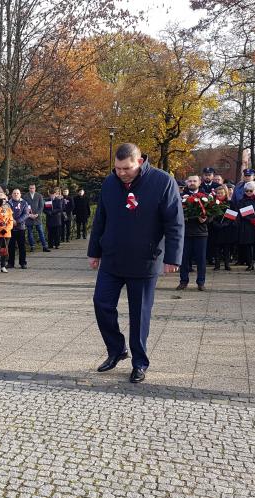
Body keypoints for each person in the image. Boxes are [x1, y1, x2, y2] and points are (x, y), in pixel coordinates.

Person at [88, 143, 183, 383]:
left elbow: (174, 222)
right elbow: (101, 218)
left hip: (145, 260)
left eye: (126, 168)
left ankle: (139, 362)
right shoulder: (110, 183)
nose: (121, 173)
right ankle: (116, 349)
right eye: (117, 168)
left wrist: (173, 257)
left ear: (139, 162)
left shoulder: (162, 182)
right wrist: (95, 251)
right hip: (112, 258)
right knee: (101, 303)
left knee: (139, 314)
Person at [177, 175, 209, 291]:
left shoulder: (206, 196)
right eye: (190, 181)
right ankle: (183, 281)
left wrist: (206, 219)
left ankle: (201, 282)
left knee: (201, 259)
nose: (192, 183)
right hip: (185, 232)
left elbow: (211, 212)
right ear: (186, 183)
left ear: (200, 182)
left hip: (201, 233)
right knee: (184, 259)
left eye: (194, 181)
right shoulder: (180, 196)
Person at [210, 185, 235, 271]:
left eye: (222, 193)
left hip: (227, 228)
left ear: (226, 193)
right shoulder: (213, 203)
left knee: (226, 248)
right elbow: (210, 215)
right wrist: (215, 223)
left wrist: (226, 223)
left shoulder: (230, 203)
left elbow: (232, 215)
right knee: (216, 248)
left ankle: (227, 264)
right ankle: (217, 265)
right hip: (216, 228)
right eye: (218, 193)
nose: (220, 194)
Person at [7, 188, 29, 269]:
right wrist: (12, 221)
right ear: (12, 194)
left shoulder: (24, 203)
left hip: (21, 228)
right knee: (11, 246)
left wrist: (18, 221)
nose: (16, 194)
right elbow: (6, 213)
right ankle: (10, 263)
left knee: (22, 246)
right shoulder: (8, 203)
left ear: (20, 194)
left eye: (17, 193)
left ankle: (23, 263)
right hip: (11, 227)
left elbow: (26, 214)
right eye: (14, 193)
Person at [24, 184, 50, 253]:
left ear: (35, 188)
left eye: (33, 188)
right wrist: (29, 214)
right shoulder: (25, 196)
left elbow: (41, 206)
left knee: (41, 232)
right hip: (29, 217)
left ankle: (44, 246)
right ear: (28, 188)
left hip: (37, 217)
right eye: (30, 188)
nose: (32, 189)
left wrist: (37, 214)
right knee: (30, 233)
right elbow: (24, 206)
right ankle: (32, 246)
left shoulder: (39, 196)